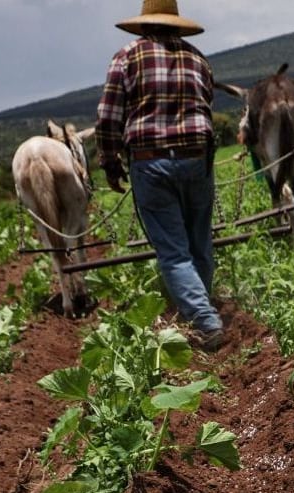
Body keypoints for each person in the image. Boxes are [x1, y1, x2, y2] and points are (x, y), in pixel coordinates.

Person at [95, 0, 223, 351]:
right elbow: (206, 102)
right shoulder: (198, 59)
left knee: (174, 252)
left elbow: (108, 118)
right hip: (197, 159)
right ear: (176, 25)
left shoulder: (127, 57)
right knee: (199, 241)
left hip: (150, 163)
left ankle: (205, 322)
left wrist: (110, 162)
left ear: (144, 24)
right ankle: (200, 305)